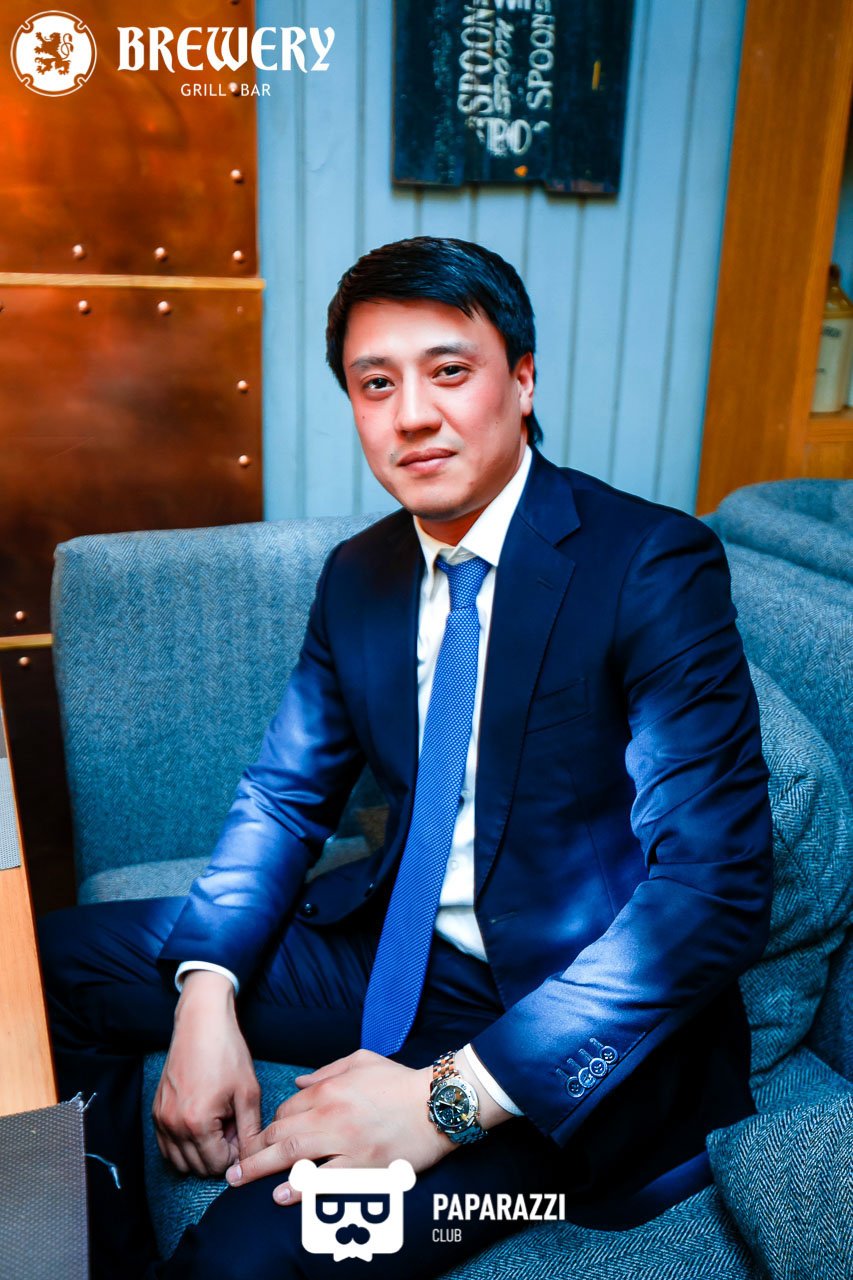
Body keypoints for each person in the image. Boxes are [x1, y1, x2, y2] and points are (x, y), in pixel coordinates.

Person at [39, 236, 773, 1280]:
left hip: (570, 1023)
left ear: (523, 379)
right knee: (51, 968)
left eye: (449, 370)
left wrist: (443, 1100)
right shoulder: (359, 574)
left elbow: (713, 889)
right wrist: (205, 994)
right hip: (400, 955)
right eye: (375, 383)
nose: (412, 414)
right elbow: (284, 797)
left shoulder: (648, 563)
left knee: (245, 1260)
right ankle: (80, 1252)